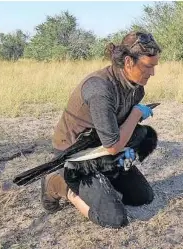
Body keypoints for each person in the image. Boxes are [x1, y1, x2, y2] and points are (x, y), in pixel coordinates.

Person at [40, 31, 162, 228]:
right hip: (75, 156)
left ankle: (102, 180)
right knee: (113, 218)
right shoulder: (99, 89)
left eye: (154, 66)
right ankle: (57, 183)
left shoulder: (137, 88)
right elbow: (113, 146)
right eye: (148, 66)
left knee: (143, 197)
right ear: (129, 62)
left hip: (100, 149)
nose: (152, 73)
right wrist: (136, 114)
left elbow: (118, 134)